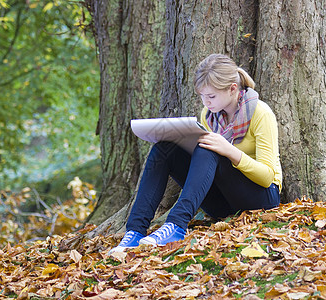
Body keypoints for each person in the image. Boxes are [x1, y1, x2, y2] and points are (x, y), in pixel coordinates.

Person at [108, 53, 282, 254]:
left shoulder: (261, 113)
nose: (206, 102)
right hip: (222, 203)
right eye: (202, 96)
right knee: (164, 149)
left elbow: (267, 177)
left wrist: (230, 151)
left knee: (210, 148)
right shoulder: (209, 115)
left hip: (262, 197)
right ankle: (135, 232)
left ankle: (176, 226)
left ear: (232, 89)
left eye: (212, 96)